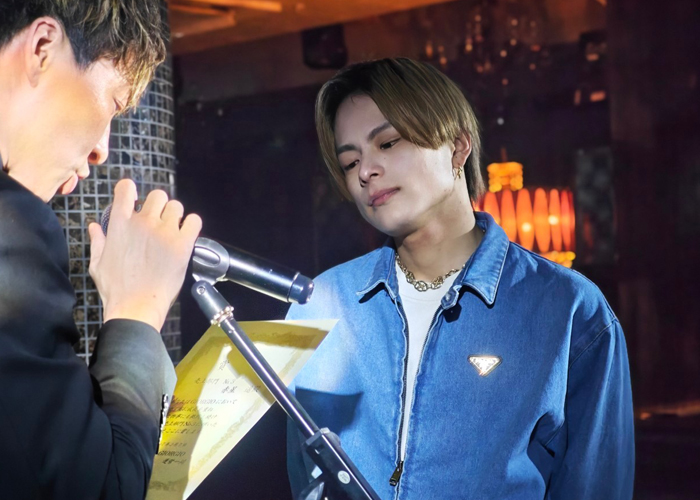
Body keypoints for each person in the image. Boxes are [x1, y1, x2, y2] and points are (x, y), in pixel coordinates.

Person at [286, 58, 634, 499]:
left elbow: (596, 484)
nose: (366, 172)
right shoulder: (320, 304)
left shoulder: (567, 308)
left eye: (388, 143)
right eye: (350, 162)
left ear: (457, 146)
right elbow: (304, 475)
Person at [0, 1, 201, 498]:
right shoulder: (13, 233)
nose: (102, 150)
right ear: (42, 47)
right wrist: (137, 312)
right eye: (112, 102)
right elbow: (100, 488)